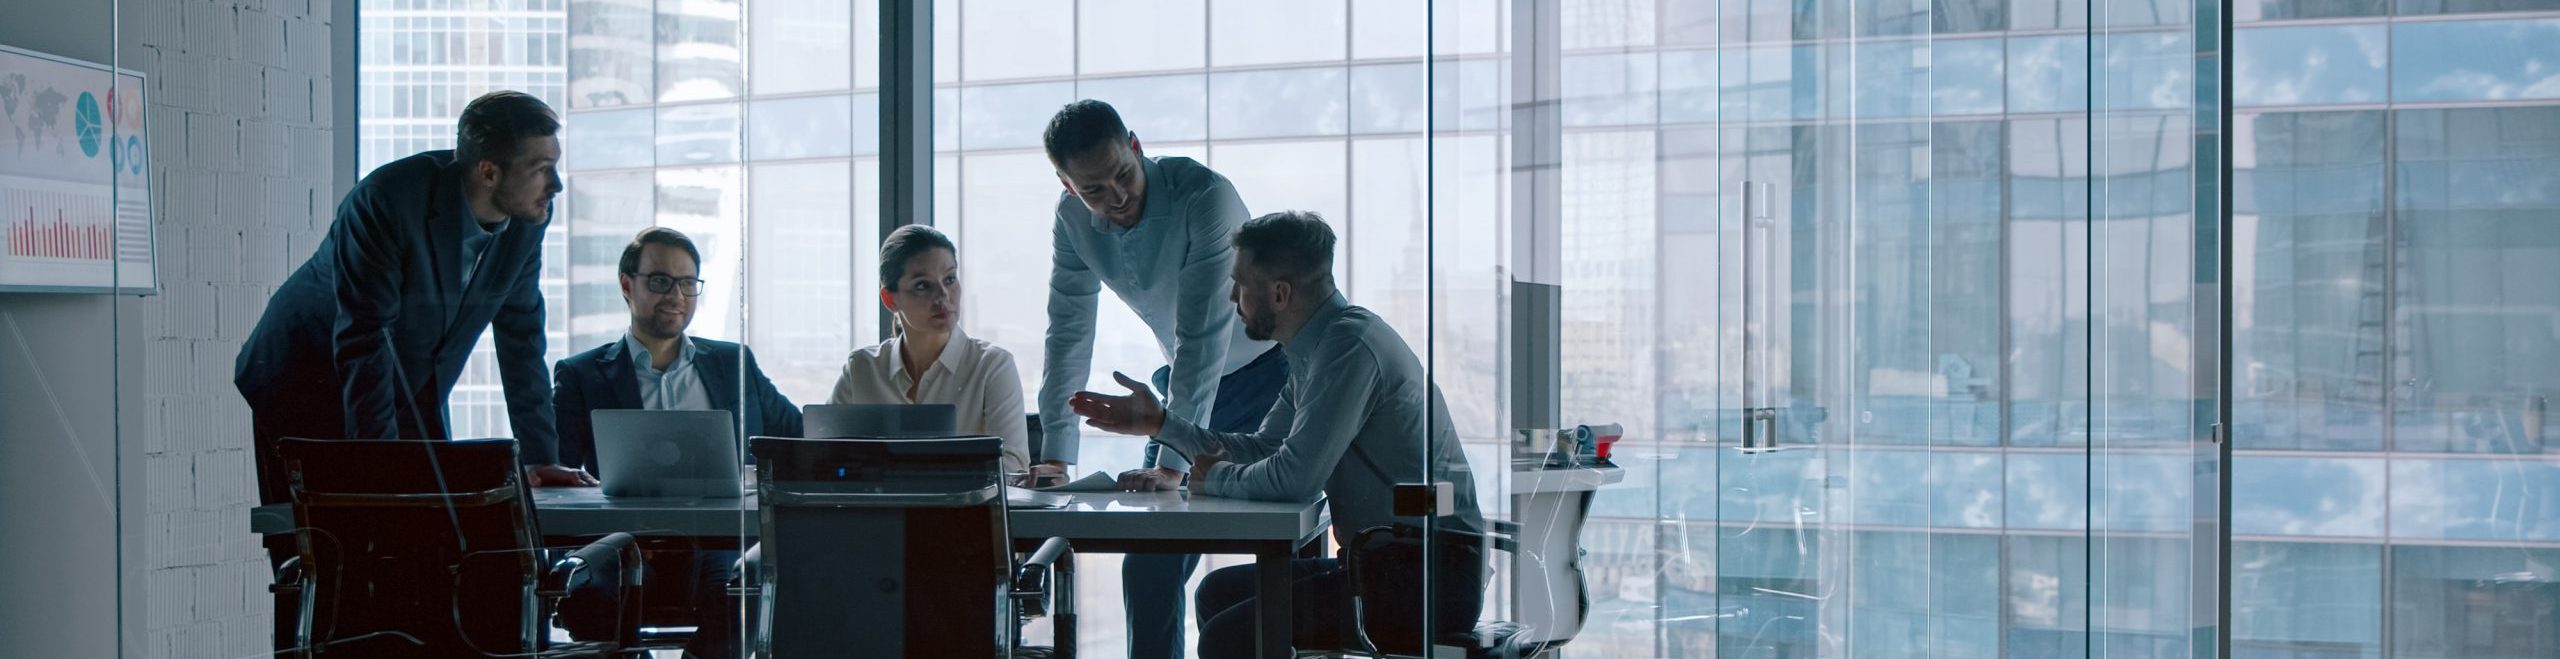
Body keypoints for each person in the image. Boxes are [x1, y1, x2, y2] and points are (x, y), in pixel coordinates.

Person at [232, 89, 585, 649]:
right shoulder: (388, 200)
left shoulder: (527, 219)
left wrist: (541, 457)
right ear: (489, 171)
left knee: (433, 547)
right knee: (333, 552)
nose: (556, 186)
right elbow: (362, 339)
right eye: (542, 169)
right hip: (304, 376)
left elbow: (521, 337)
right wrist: (382, 471)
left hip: (408, 379)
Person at [1070, 211, 1488, 658]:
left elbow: (1295, 479)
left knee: (1230, 636)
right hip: (1387, 565)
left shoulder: (1349, 349)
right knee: (1216, 593)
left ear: (1280, 294)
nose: (1232, 297)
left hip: (1429, 579)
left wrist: (1215, 479)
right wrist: (1161, 425)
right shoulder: (1317, 348)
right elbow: (1266, 448)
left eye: (1239, 284)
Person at [1038, 99, 1289, 659]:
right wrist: (1056, 453)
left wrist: (1172, 463)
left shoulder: (1206, 197)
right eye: (1093, 190)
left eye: (1122, 175)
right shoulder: (1071, 220)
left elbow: (1202, 336)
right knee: (1148, 565)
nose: (1116, 197)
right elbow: (1067, 333)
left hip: (1274, 381)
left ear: (1136, 145)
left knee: (1277, 553)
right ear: (1065, 184)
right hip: (1188, 389)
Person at [549, 227, 802, 658]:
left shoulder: (732, 363)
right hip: (621, 544)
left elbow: (793, 438)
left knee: (741, 595)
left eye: (687, 283)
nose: (676, 295)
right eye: (660, 281)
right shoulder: (582, 375)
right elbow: (558, 472)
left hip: (717, 544)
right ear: (627, 285)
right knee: (592, 595)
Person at [829, 224, 1031, 472]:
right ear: (890, 300)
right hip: (880, 510)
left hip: (964, 511)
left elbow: (1012, 465)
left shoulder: (991, 365)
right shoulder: (861, 369)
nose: (943, 296)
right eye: (923, 285)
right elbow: (823, 458)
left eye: (949, 279)